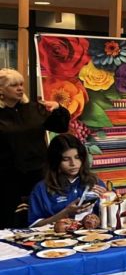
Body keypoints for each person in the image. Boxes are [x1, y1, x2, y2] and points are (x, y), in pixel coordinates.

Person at [0, 68, 71, 228]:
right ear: (1, 90)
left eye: (21, 84)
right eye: (14, 85)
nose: (20, 89)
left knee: (40, 216)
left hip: (38, 173)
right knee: (10, 221)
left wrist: (58, 109)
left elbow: (61, 126)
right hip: (7, 178)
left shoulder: (34, 109)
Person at [28, 133, 106, 226]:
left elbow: (110, 219)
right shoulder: (41, 189)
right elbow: (33, 226)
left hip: (92, 237)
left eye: (77, 157)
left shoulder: (95, 182)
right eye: (66, 159)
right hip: (55, 239)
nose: (73, 163)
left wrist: (107, 200)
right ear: (55, 161)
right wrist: (65, 213)